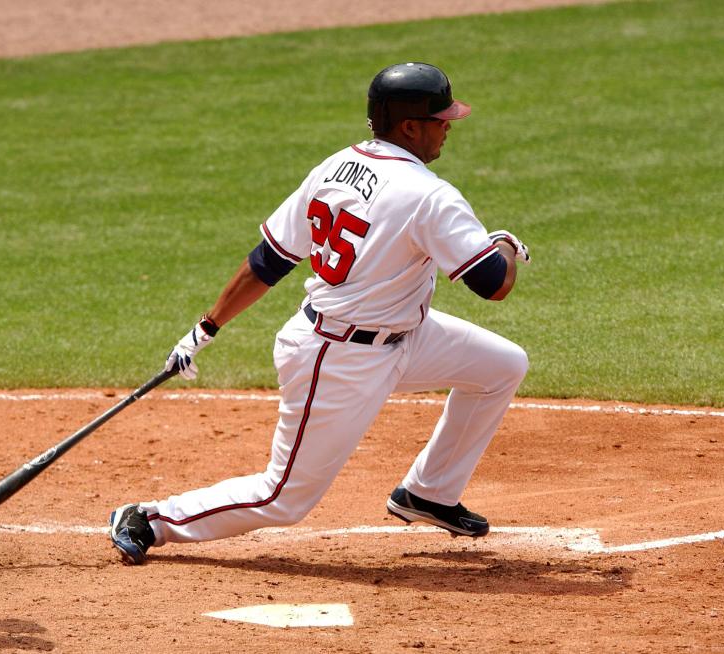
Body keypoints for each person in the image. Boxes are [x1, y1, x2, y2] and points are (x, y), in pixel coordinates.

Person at [110, 62, 531, 564]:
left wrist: (206, 326)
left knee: (502, 366)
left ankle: (429, 492)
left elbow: (266, 262)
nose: (449, 128)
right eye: (441, 119)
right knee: (283, 498)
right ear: (410, 126)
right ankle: (149, 518)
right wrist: (502, 244)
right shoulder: (429, 194)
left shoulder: (335, 167)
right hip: (336, 357)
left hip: (407, 335)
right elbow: (493, 284)